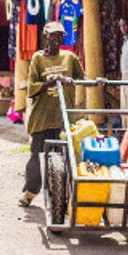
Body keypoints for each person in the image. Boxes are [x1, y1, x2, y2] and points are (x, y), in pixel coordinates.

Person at [19, 21, 83, 207]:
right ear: (45, 37)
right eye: (53, 36)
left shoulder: (70, 58)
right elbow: (31, 88)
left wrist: (98, 81)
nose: (57, 39)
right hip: (42, 119)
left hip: (63, 118)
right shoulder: (38, 59)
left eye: (60, 36)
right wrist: (53, 81)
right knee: (37, 159)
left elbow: (81, 78)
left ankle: (65, 198)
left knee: (66, 159)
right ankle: (30, 193)